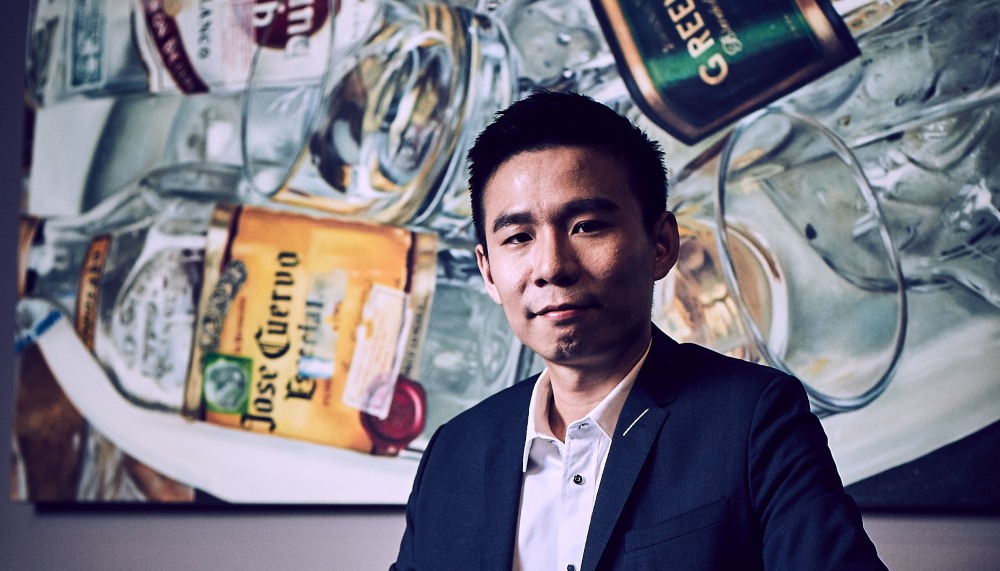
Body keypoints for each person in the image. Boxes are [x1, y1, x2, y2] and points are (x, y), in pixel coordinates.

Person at [392, 91, 886, 570]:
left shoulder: (754, 420)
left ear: (661, 244)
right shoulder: (454, 453)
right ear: (488, 271)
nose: (551, 267)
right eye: (518, 237)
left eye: (587, 226)